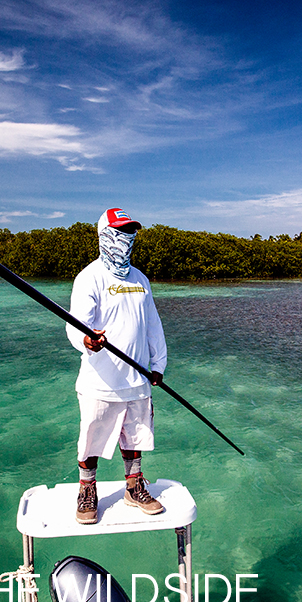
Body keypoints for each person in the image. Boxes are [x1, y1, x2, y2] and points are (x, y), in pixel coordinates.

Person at [67, 208, 167, 524]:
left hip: (137, 377)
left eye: (130, 232)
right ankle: (87, 489)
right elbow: (76, 324)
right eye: (120, 232)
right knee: (91, 437)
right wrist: (87, 341)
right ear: (105, 235)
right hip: (100, 381)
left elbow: (153, 324)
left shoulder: (140, 279)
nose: (126, 239)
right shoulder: (89, 277)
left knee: (136, 436)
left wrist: (159, 363)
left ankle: (134, 486)